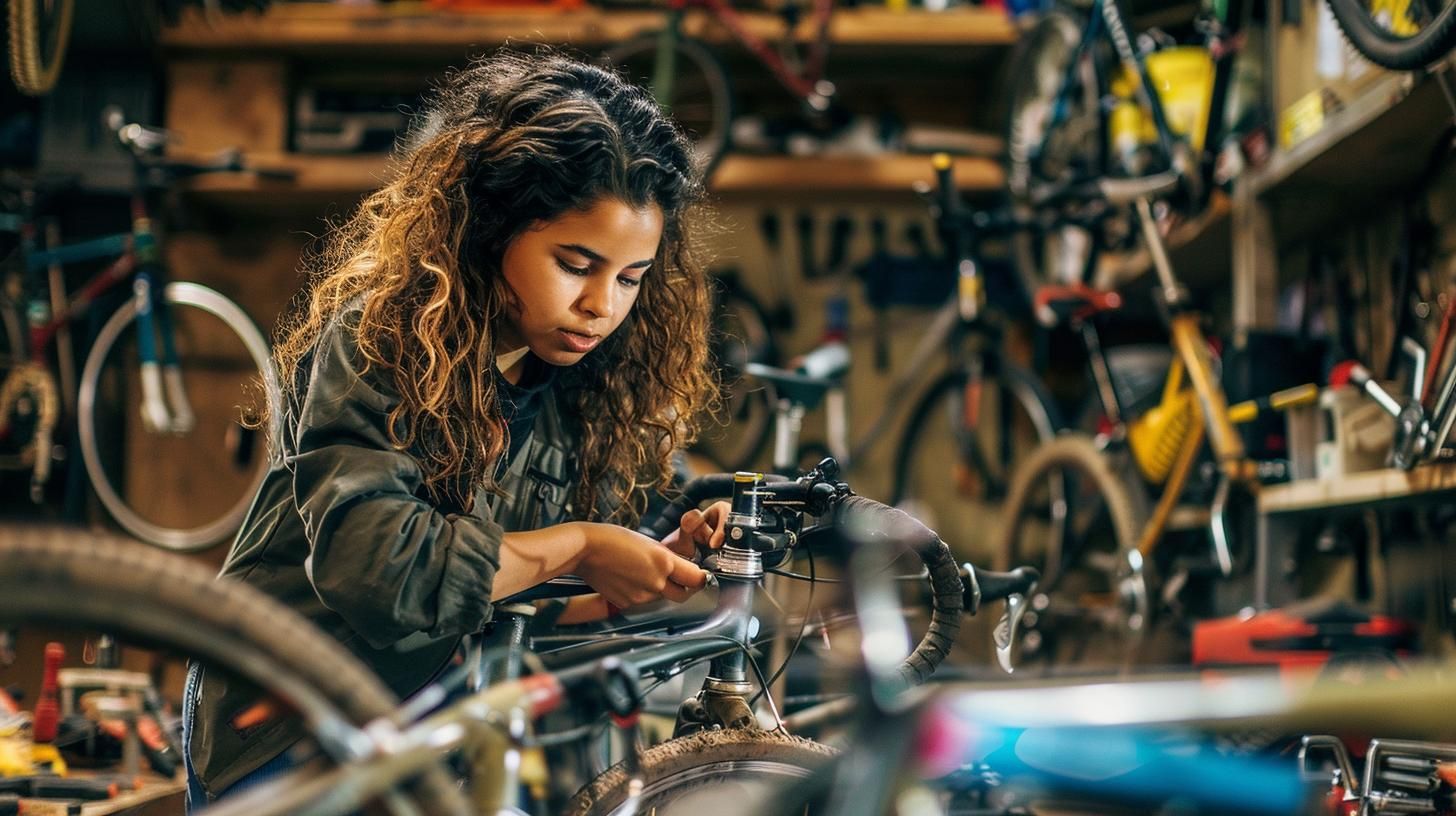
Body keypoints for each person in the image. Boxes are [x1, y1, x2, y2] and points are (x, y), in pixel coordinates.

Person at [182, 50, 728, 808]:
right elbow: (383, 577)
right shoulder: (383, 341)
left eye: (630, 278)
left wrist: (615, 588)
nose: (602, 305)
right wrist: (580, 545)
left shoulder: (571, 380)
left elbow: (483, 594)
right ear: (491, 231)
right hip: (288, 728)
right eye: (576, 263)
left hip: (417, 736)